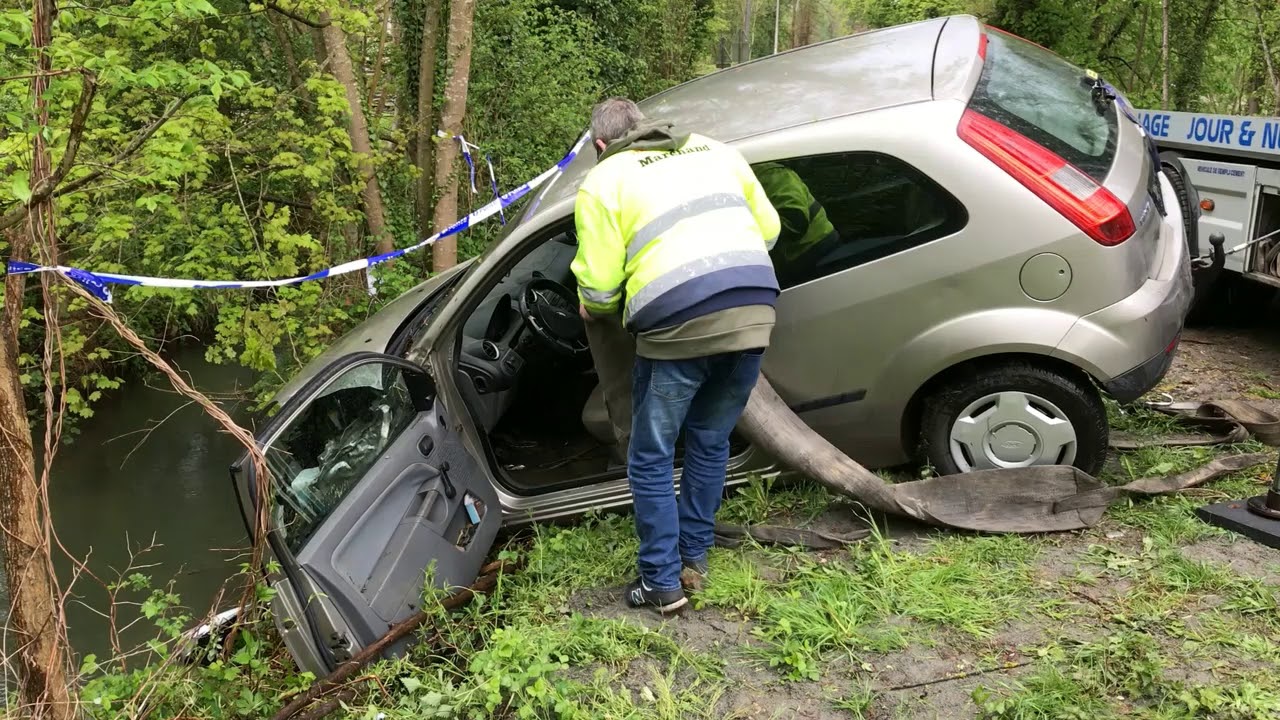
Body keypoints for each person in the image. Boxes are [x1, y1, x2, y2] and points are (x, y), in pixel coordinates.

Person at [571, 97, 782, 615]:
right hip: (754, 311)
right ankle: (695, 556)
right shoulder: (715, 149)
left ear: (601, 145)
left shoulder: (603, 181)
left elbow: (598, 291)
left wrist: (593, 302)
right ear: (644, 125)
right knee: (710, 441)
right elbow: (770, 230)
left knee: (650, 454)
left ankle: (662, 582)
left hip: (676, 329)